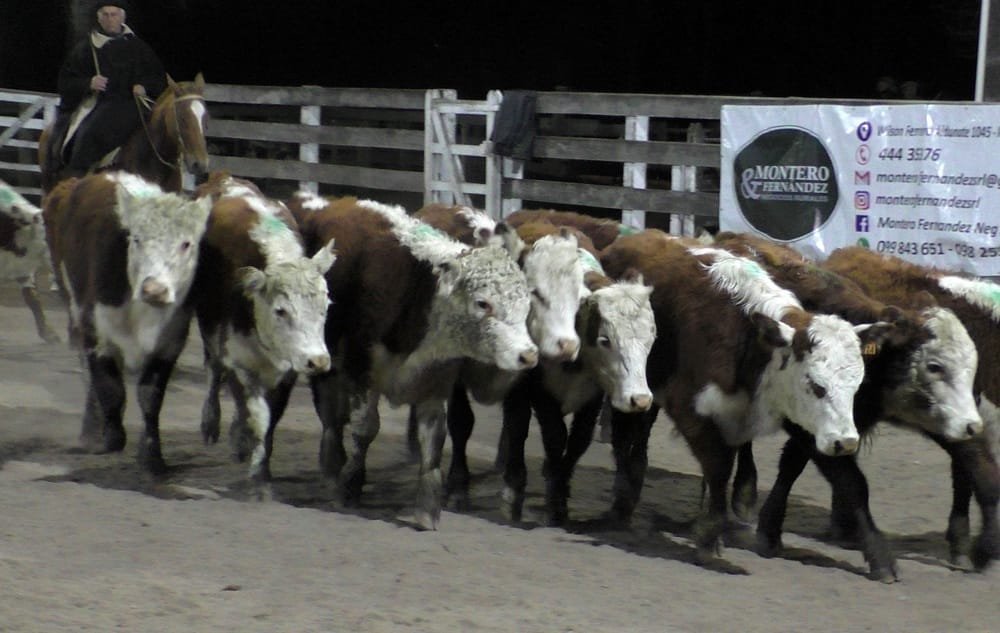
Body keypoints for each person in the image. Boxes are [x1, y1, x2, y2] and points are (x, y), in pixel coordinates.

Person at [54, 1, 166, 174]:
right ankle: (75, 179)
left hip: (136, 105)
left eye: (114, 14)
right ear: (99, 19)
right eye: (105, 15)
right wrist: (88, 83)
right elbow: (66, 82)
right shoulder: (85, 49)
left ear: (122, 17)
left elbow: (158, 78)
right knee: (88, 135)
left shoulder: (139, 48)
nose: (110, 19)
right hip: (101, 104)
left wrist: (145, 87)